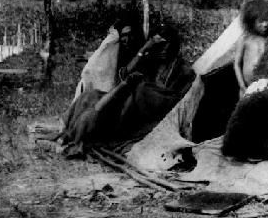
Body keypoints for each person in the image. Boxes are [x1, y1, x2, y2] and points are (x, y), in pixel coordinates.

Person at [61, 24, 195, 155]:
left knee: (137, 90)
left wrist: (144, 91)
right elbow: (125, 74)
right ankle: (70, 132)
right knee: (91, 95)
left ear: (174, 45)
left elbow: (177, 99)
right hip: (133, 101)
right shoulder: (152, 63)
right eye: (160, 45)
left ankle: (94, 133)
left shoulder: (183, 69)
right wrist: (144, 49)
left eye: (167, 44)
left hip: (148, 111)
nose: (164, 49)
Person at [234, 0, 268, 97]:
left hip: (264, 86)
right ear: (251, 22)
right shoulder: (245, 39)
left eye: (267, 20)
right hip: (246, 88)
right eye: (261, 21)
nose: (265, 24)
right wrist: (242, 86)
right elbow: (237, 64)